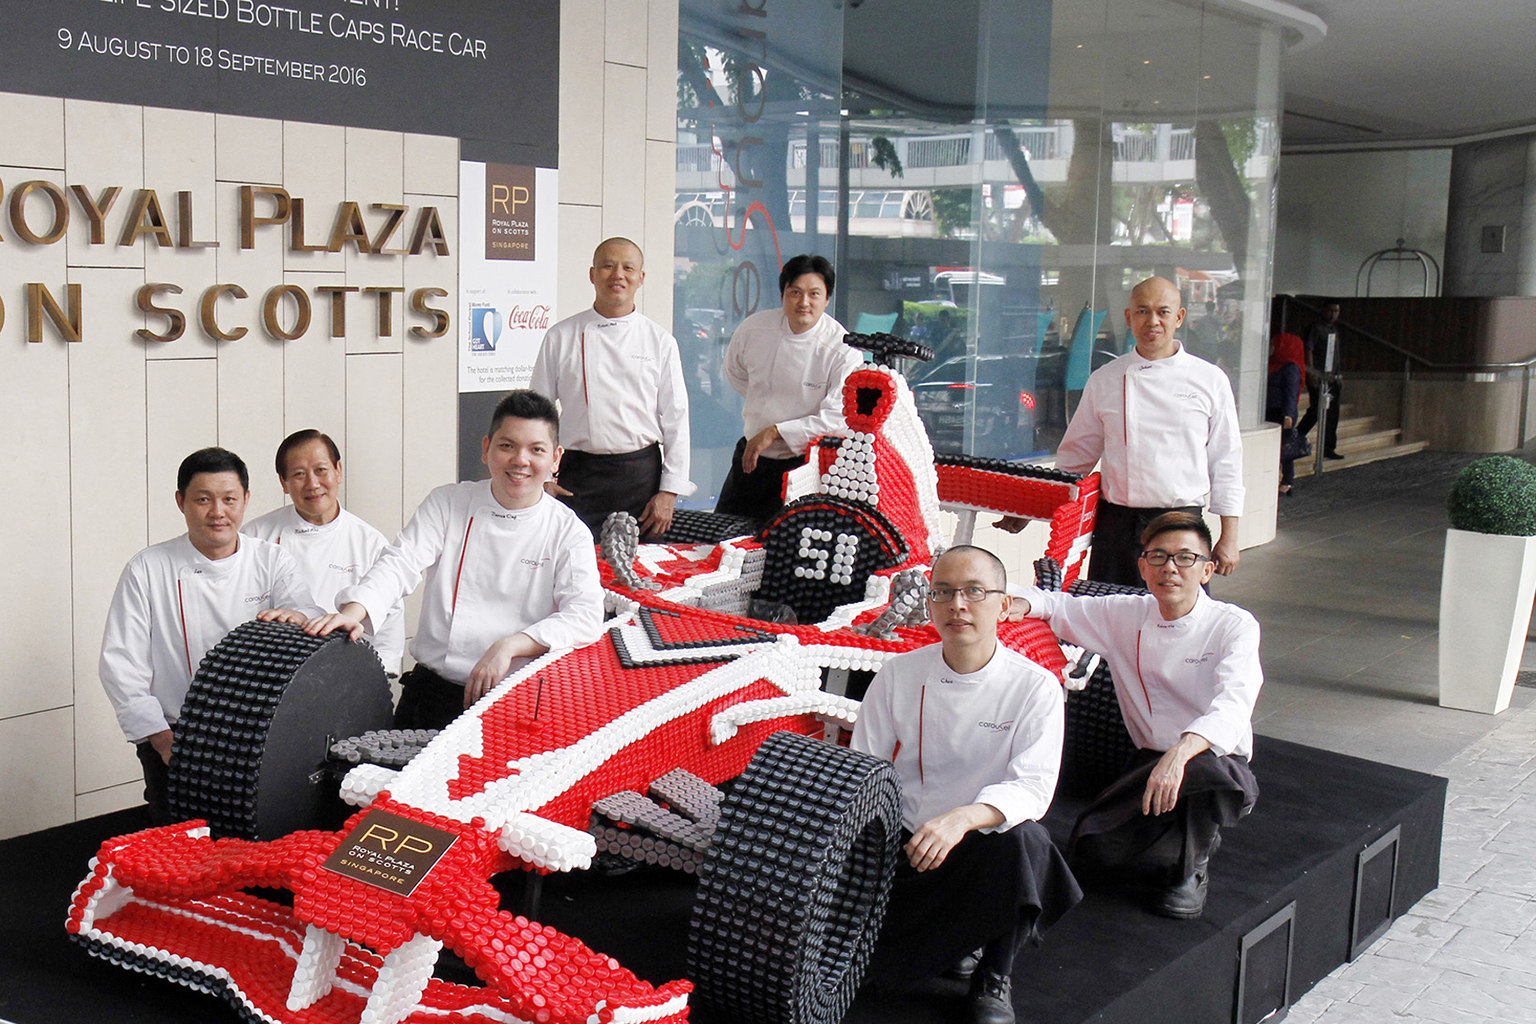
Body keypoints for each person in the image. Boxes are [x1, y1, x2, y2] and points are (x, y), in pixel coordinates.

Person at [854, 546, 1081, 1024]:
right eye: (944, 593)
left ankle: (995, 973)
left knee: (1027, 841)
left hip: (982, 839)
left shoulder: (1035, 686)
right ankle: (956, 940)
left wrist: (960, 819)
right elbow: (864, 768)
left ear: (1002, 605)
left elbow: (1034, 788)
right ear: (930, 603)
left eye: (974, 592)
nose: (958, 604)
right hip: (910, 844)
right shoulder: (898, 674)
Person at [1009, 512, 1262, 920]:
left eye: (1185, 558)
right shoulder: (1127, 614)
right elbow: (1058, 606)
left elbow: (1233, 705)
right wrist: (1025, 602)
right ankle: (1183, 836)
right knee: (1095, 849)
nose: (1170, 569)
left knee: (1209, 775)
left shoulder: (1233, 626)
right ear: (1142, 565)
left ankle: (1190, 869)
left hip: (1212, 759)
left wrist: (1180, 755)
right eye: (1158, 557)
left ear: (1207, 568)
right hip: (1148, 757)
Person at [304, 391, 605, 731]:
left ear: (555, 459)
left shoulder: (568, 531)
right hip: (432, 694)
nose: (521, 460)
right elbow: (401, 561)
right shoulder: (449, 503)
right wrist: (353, 613)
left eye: (536, 449)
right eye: (507, 446)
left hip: (514, 702)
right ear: (486, 448)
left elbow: (585, 614)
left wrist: (510, 645)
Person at [99, 447, 321, 825]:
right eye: (203, 500)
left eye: (229, 499)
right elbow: (120, 664)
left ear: (246, 500)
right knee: (183, 851)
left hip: (258, 736)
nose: (218, 512)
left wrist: (298, 617)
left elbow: (309, 614)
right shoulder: (148, 568)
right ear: (181, 502)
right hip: (177, 737)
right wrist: (162, 740)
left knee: (257, 845)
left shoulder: (271, 560)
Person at [1002, 276, 1244, 586]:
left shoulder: (1210, 380)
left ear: (1179, 317)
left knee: (1178, 625)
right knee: (1109, 621)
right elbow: (1075, 457)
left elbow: (1226, 461)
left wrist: (1229, 536)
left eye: (1163, 312)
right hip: (1116, 525)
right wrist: (1031, 507)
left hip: (1181, 523)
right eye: (1142, 311)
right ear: (1129, 318)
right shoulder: (1106, 378)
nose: (1152, 321)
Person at [531, 238, 694, 538]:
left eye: (628, 267)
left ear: (640, 278)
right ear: (592, 274)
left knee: (638, 575)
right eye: (608, 266)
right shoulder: (560, 336)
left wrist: (669, 492)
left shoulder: (660, 341)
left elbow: (676, 419)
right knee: (572, 572)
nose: (618, 275)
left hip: (640, 477)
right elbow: (537, 416)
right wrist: (542, 478)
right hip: (577, 475)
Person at [244, 430, 406, 673]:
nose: (313, 484)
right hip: (272, 675)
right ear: (283, 483)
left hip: (347, 676)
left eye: (321, 470)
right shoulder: (254, 537)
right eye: (299, 474)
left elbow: (388, 631)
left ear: (338, 471)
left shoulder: (370, 542)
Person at [716, 254, 863, 519]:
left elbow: (836, 419)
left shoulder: (843, 350)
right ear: (783, 294)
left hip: (804, 467)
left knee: (784, 550)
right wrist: (764, 408)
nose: (804, 302)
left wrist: (775, 431)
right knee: (722, 537)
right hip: (751, 455)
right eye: (795, 292)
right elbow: (736, 373)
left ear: (827, 299)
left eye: (814, 294)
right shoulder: (753, 330)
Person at [1298, 299, 1344, 460]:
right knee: (1316, 410)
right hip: (1319, 376)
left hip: (1333, 377)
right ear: (1324, 310)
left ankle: (1329, 447)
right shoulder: (1315, 328)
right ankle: (1296, 437)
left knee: (1333, 414)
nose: (1333, 314)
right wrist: (1311, 373)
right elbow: (1308, 349)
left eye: (1336, 311)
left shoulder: (1334, 330)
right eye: (1330, 310)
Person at [1266, 332, 1306, 496]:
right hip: (1271, 411)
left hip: (1281, 413)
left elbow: (1291, 392)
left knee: (1286, 448)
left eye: (1276, 344)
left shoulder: (1290, 368)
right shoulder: (1276, 364)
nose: (1272, 347)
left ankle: (1287, 481)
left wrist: (1288, 416)